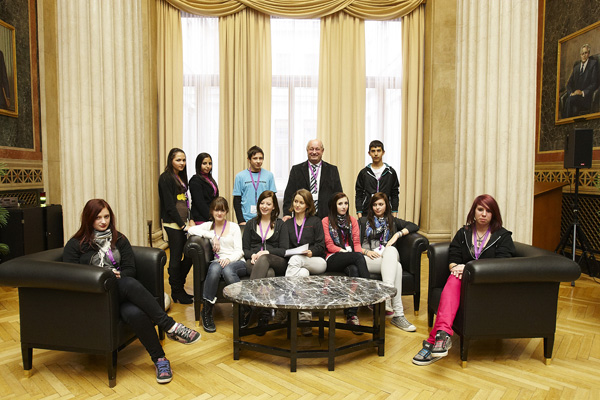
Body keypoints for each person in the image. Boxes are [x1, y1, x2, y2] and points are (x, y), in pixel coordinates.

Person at [63, 199, 200, 384]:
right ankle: (170, 326)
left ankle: (160, 359)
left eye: (106, 216)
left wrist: (117, 275)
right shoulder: (76, 245)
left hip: (118, 292)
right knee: (126, 284)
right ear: (88, 219)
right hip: (93, 297)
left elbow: (130, 269)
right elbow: (73, 276)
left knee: (133, 310)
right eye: (97, 218)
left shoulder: (119, 239)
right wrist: (103, 275)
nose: (103, 221)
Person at [412, 194, 516, 366]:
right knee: (454, 277)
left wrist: (468, 267)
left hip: (488, 284)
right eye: (480, 209)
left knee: (456, 278)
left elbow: (501, 265)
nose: (484, 214)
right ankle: (442, 336)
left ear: (494, 214)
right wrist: (456, 267)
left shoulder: (502, 236)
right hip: (463, 281)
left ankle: (432, 341)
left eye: (488, 211)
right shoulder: (464, 233)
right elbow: (453, 257)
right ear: (474, 211)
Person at [359, 192, 418, 332]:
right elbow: (354, 243)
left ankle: (387, 296)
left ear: (386, 205)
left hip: (387, 257)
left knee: (391, 250)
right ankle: (398, 314)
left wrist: (397, 234)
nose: (377, 207)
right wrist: (366, 251)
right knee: (397, 267)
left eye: (381, 204)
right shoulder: (362, 221)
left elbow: (413, 226)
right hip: (369, 258)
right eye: (375, 205)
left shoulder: (392, 221)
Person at [187, 197, 246, 333]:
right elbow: (190, 230)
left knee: (227, 270)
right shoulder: (208, 226)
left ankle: (242, 309)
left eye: (222, 210)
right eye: (216, 210)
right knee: (214, 269)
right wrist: (211, 236)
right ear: (212, 212)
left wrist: (229, 259)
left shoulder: (234, 227)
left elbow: (239, 251)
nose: (219, 213)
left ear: (226, 212)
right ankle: (206, 312)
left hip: (236, 261)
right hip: (218, 262)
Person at [322, 192, 371, 334]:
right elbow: (329, 245)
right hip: (333, 257)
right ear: (334, 206)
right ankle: (369, 291)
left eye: (346, 203)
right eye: (340, 204)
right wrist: (345, 252)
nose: (344, 206)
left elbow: (356, 243)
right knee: (357, 257)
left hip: (351, 257)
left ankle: (351, 315)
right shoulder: (326, 221)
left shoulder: (352, 221)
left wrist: (360, 253)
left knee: (354, 270)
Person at [280, 188, 327, 336]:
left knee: (296, 260)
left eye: (301, 202)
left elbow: (321, 245)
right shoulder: (287, 224)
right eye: (296, 201)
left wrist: (312, 251)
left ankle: (284, 305)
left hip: (316, 261)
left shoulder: (315, 221)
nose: (297, 205)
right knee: (303, 274)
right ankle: (305, 320)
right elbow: (285, 248)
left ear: (307, 205)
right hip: (298, 264)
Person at [242, 190, 288, 329]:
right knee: (269, 273)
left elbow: (284, 250)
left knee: (265, 259)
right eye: (262, 203)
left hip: (277, 260)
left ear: (274, 207)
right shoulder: (250, 224)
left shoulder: (280, 224)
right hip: (254, 262)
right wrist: (253, 255)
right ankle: (263, 315)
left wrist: (267, 252)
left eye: (268, 204)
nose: (264, 206)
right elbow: (245, 249)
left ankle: (250, 307)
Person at [158, 148, 193, 304]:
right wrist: (181, 225)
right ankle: (176, 291)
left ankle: (179, 287)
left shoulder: (181, 177)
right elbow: (169, 206)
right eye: (178, 160)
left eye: (184, 160)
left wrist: (188, 221)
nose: (182, 163)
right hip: (173, 224)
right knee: (176, 258)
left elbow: (185, 201)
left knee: (189, 254)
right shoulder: (165, 178)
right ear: (170, 160)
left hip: (183, 223)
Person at [283, 139, 343, 220]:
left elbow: (338, 195)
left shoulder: (332, 170)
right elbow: (289, 194)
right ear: (307, 150)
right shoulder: (296, 170)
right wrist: (287, 214)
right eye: (311, 149)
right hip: (302, 216)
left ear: (322, 151)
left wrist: (339, 215)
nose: (314, 152)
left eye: (317, 149)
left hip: (326, 216)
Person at [233, 145, 277, 225]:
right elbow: (236, 200)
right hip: (246, 219)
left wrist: (272, 218)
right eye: (255, 158)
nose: (258, 161)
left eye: (260, 158)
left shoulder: (269, 175)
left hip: (265, 218)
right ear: (249, 159)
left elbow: (273, 199)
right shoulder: (240, 176)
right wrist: (241, 220)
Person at [355, 140, 400, 218]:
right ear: (369, 153)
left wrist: (394, 215)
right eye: (373, 151)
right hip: (367, 212)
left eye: (378, 151)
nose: (376, 154)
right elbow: (359, 195)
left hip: (386, 213)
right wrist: (360, 215)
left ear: (383, 152)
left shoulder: (391, 172)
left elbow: (395, 194)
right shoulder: (364, 173)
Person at [562, 44, 599, 118]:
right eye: (582, 54)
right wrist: (571, 93)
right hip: (574, 96)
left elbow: (594, 83)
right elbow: (569, 84)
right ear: (580, 55)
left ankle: (566, 121)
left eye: (585, 53)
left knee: (569, 100)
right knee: (568, 99)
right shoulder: (576, 67)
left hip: (586, 97)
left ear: (588, 54)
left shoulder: (593, 64)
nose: (584, 55)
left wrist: (582, 92)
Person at [189, 152, 219, 224]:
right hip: (201, 218)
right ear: (199, 164)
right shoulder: (195, 180)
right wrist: (211, 217)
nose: (208, 166)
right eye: (204, 163)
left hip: (212, 217)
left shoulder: (210, 179)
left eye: (210, 163)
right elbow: (199, 203)